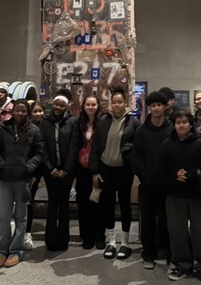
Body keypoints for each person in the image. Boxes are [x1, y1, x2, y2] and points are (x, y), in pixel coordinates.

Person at [159, 110, 201, 284]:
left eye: (184, 122)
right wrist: (175, 174)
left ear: (191, 124)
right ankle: (182, 265)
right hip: (175, 195)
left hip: (197, 195)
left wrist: (192, 175)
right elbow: (160, 167)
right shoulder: (167, 145)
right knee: (177, 231)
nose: (181, 125)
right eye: (178, 122)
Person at [0, 99, 44, 268]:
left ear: (27, 113)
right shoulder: (3, 129)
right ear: (12, 111)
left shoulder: (34, 131)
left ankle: (16, 250)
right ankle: (2, 249)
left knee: (21, 216)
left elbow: (39, 153)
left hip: (23, 179)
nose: (20, 114)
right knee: (4, 216)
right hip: (5, 179)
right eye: (17, 110)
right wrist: (1, 165)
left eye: (23, 111)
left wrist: (28, 167)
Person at [89, 87, 139, 259]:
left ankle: (124, 243)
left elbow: (138, 148)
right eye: (114, 101)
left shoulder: (134, 123)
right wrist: (95, 171)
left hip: (124, 171)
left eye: (120, 101)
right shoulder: (104, 121)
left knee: (125, 205)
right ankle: (111, 242)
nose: (117, 105)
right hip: (106, 170)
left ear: (125, 102)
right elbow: (95, 147)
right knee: (107, 205)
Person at [130, 91, 174, 269]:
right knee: (147, 219)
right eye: (153, 105)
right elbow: (136, 157)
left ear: (165, 107)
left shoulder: (172, 128)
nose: (156, 108)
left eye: (159, 105)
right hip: (147, 184)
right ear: (149, 108)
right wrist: (145, 176)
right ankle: (148, 252)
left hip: (168, 185)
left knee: (166, 219)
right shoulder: (141, 131)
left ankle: (164, 250)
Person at [37, 94, 77, 251]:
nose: (58, 108)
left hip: (67, 171)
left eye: (62, 105)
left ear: (66, 107)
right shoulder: (44, 123)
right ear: (52, 105)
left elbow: (74, 146)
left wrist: (66, 169)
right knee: (53, 203)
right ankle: (51, 239)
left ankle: (63, 239)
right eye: (56, 105)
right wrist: (51, 168)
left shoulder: (72, 122)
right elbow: (42, 147)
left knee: (64, 203)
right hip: (50, 170)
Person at [71, 94, 103, 249]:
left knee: (98, 202)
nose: (91, 107)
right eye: (88, 105)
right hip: (81, 168)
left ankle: (99, 236)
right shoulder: (77, 123)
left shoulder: (103, 123)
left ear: (98, 106)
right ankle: (87, 237)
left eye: (93, 105)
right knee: (83, 203)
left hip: (98, 168)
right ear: (83, 107)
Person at [25, 101, 47, 249]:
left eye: (40, 111)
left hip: (44, 167)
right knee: (28, 201)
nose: (38, 114)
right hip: (30, 169)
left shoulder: (47, 127)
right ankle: (26, 232)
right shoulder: (26, 128)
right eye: (35, 111)